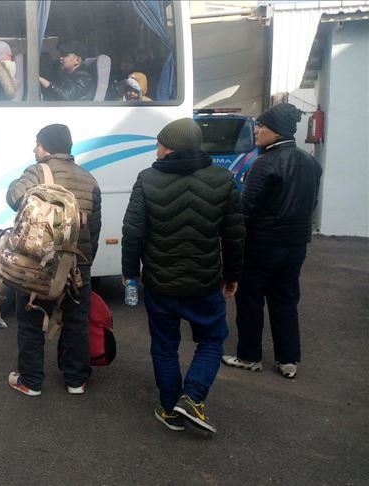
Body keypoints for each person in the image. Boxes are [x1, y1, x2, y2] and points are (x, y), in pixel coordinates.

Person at [122, 118, 244, 433]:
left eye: (159, 144)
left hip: (160, 284)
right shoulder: (223, 179)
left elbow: (133, 233)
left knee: (164, 345)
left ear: (170, 148)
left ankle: (169, 408)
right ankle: (192, 396)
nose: (156, 149)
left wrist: (130, 273)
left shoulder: (147, 179)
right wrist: (232, 274)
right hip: (205, 284)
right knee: (212, 339)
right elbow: (234, 234)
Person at [222, 103, 322, 380]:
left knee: (250, 300)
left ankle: (249, 356)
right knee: (286, 300)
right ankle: (288, 360)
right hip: (296, 246)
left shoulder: (264, 163)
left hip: (262, 246)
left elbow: (246, 209)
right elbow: (311, 204)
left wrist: (233, 245)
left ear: (276, 130)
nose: (256, 130)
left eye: (261, 126)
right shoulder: (311, 163)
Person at [4, 124, 101, 396]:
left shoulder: (37, 171)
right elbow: (94, 228)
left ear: (46, 146)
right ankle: (76, 381)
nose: (34, 149)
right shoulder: (89, 179)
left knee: (31, 320)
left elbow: (13, 198)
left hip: (39, 263)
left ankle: (31, 382)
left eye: (37, 144)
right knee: (76, 322)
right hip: (77, 264)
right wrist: (86, 262)